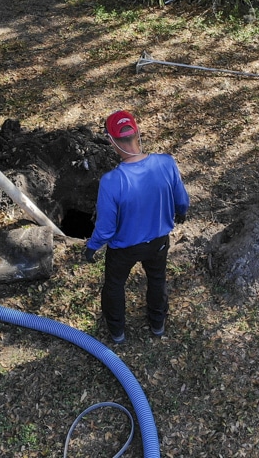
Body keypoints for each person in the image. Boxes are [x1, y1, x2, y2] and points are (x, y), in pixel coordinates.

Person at [84, 110, 190, 344]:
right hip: (158, 242)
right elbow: (182, 201)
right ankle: (157, 325)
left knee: (114, 285)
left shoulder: (112, 181)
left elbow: (106, 228)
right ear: (138, 133)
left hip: (123, 249)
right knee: (157, 279)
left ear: (111, 141)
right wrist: (180, 213)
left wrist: (92, 247)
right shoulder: (166, 163)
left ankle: (117, 333)